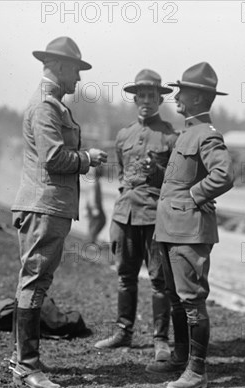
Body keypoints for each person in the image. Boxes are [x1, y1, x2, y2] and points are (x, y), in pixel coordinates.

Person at [10, 36, 108, 388]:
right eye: (76, 72)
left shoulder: (51, 105)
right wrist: (88, 158)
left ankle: (22, 358)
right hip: (44, 205)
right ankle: (27, 365)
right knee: (35, 282)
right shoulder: (46, 107)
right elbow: (53, 158)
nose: (79, 80)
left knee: (34, 280)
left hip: (47, 205)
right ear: (62, 68)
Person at [145, 62, 234, 388]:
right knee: (175, 298)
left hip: (189, 231)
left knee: (192, 300)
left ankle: (197, 372)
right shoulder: (187, 133)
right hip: (170, 229)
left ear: (197, 98)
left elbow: (223, 174)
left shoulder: (207, 136)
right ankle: (181, 359)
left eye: (183, 91)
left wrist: (194, 196)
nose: (177, 96)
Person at [94, 69, 178, 362]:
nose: (146, 101)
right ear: (134, 99)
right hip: (125, 215)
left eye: (151, 96)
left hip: (155, 216)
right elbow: (121, 176)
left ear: (159, 99)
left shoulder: (170, 136)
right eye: (140, 96)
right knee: (125, 276)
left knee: (159, 280)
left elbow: (177, 179)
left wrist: (159, 171)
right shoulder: (124, 135)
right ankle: (123, 332)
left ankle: (160, 340)